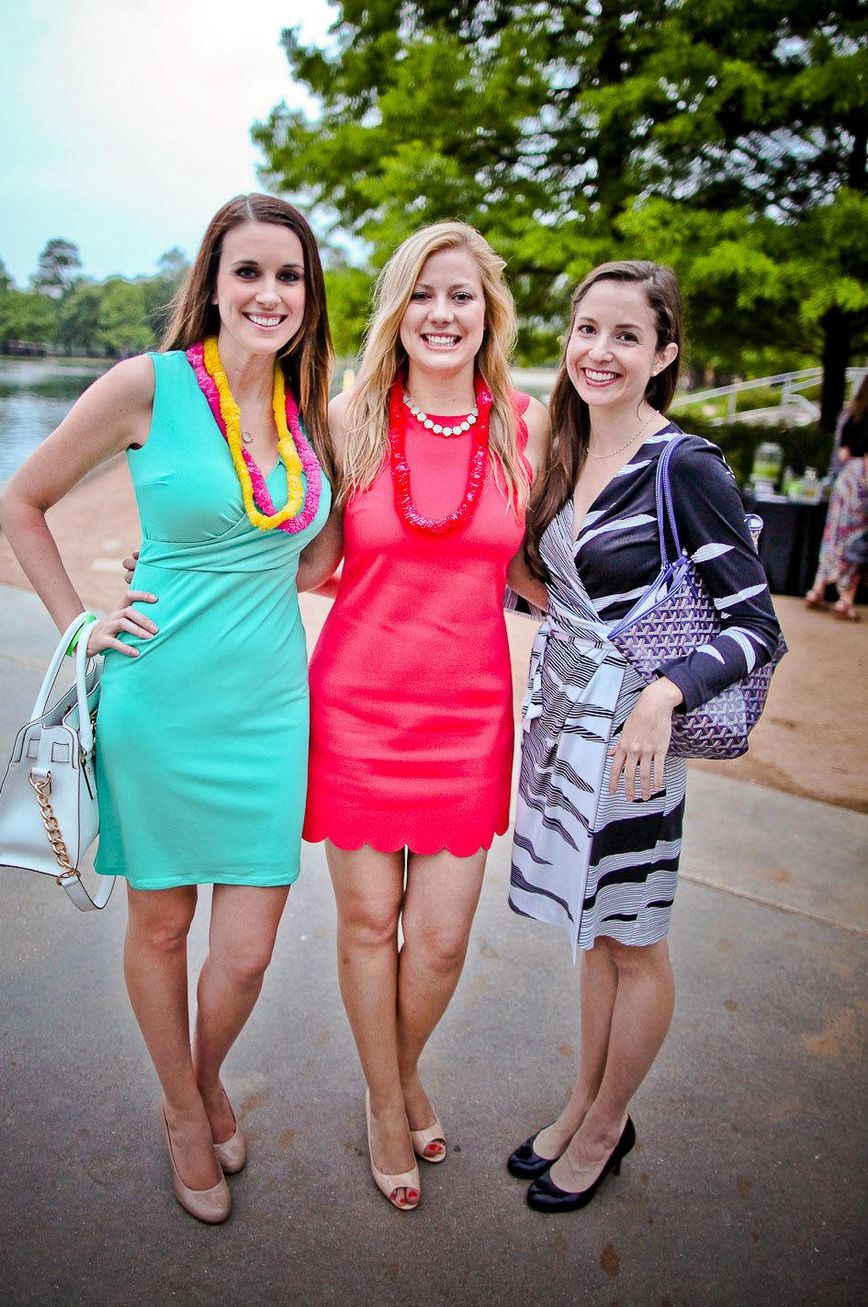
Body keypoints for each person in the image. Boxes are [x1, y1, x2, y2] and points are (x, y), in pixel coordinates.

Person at [0, 194, 333, 1224]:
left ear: (307, 295)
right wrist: (78, 622)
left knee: (245, 951)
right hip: (156, 698)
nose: (269, 292)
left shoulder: (308, 410)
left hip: (272, 710)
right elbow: (23, 500)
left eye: (288, 275)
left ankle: (200, 1070)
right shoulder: (148, 386)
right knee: (161, 922)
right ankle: (186, 1110)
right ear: (215, 282)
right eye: (249, 271)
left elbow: (316, 557)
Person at [505, 261, 783, 1213]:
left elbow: (757, 624)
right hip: (565, 735)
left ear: (665, 354)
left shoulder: (685, 466)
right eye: (588, 329)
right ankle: (583, 1102)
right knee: (593, 931)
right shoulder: (562, 445)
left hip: (635, 742)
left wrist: (665, 694)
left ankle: (607, 1123)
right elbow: (548, 588)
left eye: (627, 335)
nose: (600, 351)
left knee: (634, 938)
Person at [297, 222, 549, 1210]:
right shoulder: (347, 417)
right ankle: (387, 1100)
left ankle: (393, 1075)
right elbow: (310, 562)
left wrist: (633, 634)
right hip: (354, 710)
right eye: (423, 295)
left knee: (438, 940)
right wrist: (190, 582)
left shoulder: (518, 425)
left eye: (461, 296)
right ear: (396, 311)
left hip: (469, 715)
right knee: (368, 924)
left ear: (487, 312)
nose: (441, 314)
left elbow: (527, 568)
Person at [805, 375, 868, 621]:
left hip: (845, 481)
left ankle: (818, 588)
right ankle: (845, 598)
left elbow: (840, 454)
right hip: (862, 483)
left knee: (833, 537)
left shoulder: (849, 415)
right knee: (857, 541)